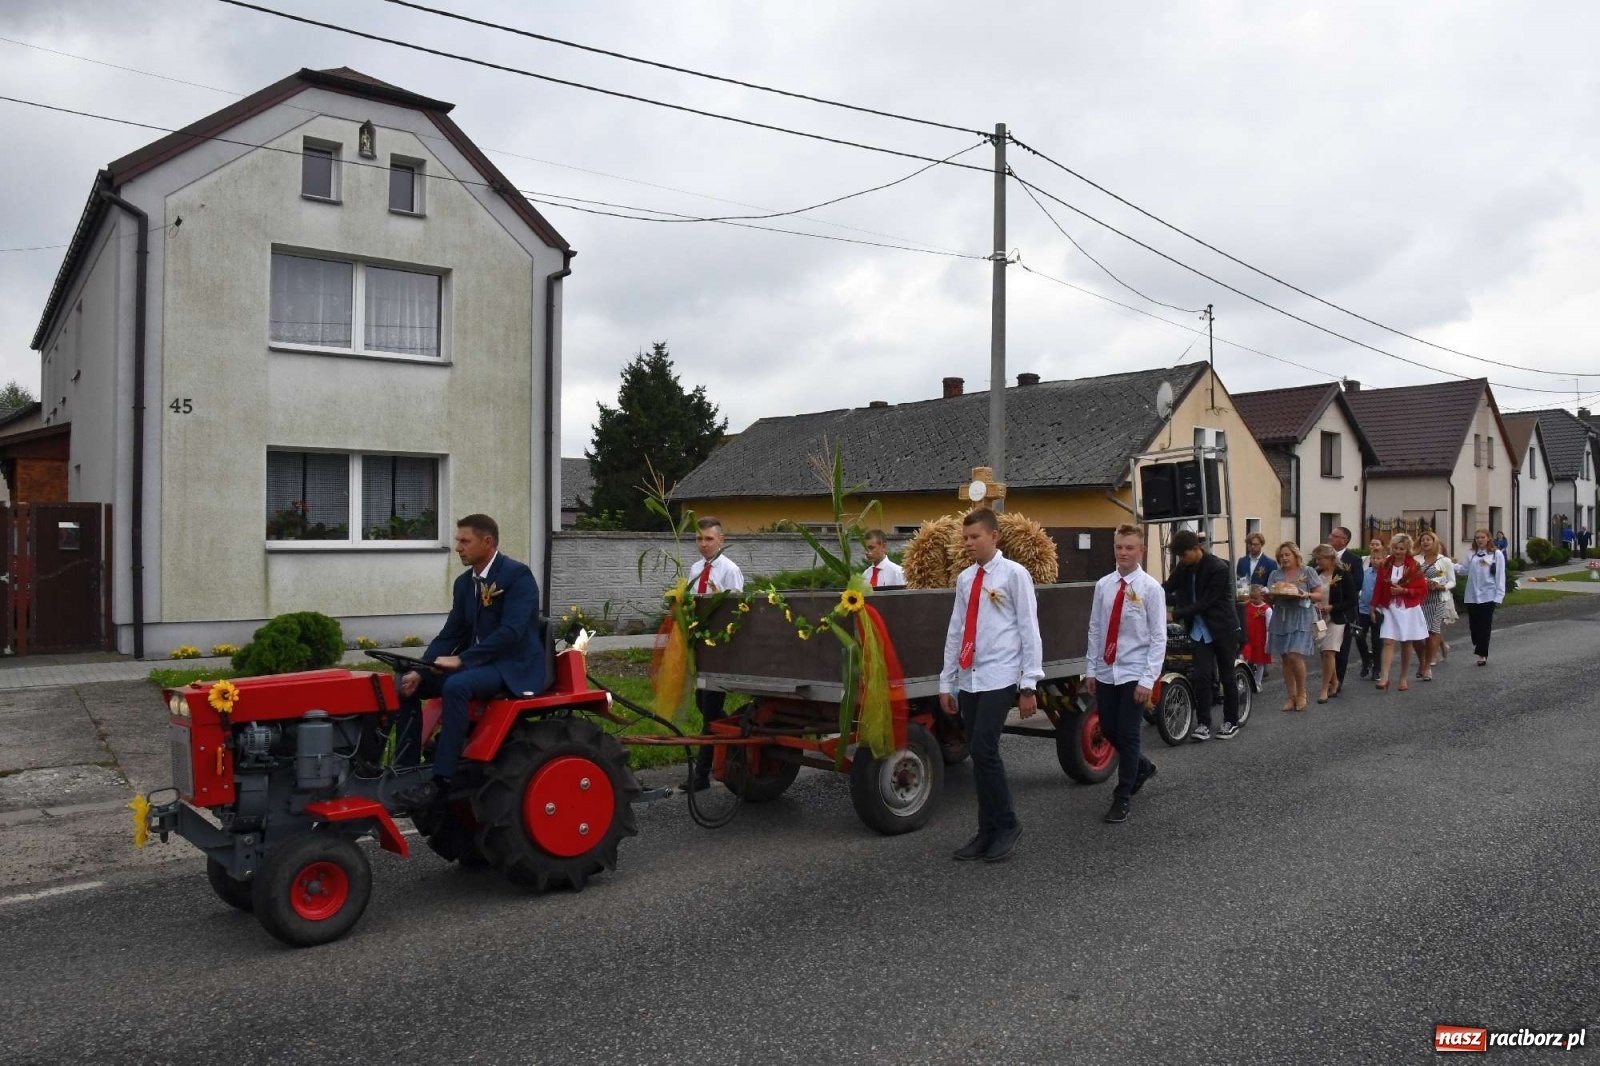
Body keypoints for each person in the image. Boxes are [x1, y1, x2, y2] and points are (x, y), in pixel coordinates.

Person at [393, 514, 544, 810]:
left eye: (465, 541)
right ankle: (405, 769)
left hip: (511, 666)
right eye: (457, 540)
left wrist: (462, 660)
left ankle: (442, 780)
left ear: (487, 542)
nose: (458, 547)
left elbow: (511, 633)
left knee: (456, 686)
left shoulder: (517, 576)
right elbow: (452, 632)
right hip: (479, 663)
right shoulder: (465, 584)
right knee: (404, 685)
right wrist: (421, 669)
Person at [939, 509, 1042, 861]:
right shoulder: (966, 579)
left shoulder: (1015, 575)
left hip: (1001, 674)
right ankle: (986, 830)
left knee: (984, 749)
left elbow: (1029, 629)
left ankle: (1008, 823)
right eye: (965, 538)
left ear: (994, 536)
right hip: (970, 676)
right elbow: (956, 628)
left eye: (975, 537)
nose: (968, 544)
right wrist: (946, 681)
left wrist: (1029, 684)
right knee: (978, 753)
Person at [1085, 525, 1167, 824]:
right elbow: (1096, 628)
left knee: (1129, 735)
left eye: (1130, 547)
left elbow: (1159, 638)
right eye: (1119, 547)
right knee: (1108, 729)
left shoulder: (1150, 588)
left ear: (1141, 551)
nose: (1123, 553)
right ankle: (1142, 766)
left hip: (1134, 670)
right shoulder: (1104, 586)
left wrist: (1148, 679)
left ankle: (1123, 796)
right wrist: (1091, 669)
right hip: (1108, 670)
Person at [1162, 529, 1241, 742]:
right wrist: (1150, 594)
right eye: (1179, 556)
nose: (1181, 559)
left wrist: (1175, 614)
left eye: (1184, 555)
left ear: (1197, 549)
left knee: (1227, 676)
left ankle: (1231, 721)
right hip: (1198, 630)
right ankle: (1204, 724)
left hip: (1221, 628)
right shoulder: (1183, 567)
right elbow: (1168, 587)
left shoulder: (1218, 567)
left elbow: (1206, 602)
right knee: (1201, 676)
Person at [686, 516, 745, 791]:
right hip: (700, 646)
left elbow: (737, 610)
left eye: (709, 539)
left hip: (719, 647)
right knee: (704, 705)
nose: (703, 544)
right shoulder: (696, 568)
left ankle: (700, 776)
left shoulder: (729, 569)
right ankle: (735, 731)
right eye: (699, 539)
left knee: (708, 711)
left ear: (721, 540)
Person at [1265, 541, 1324, 712]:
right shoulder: (1275, 574)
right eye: (1281, 556)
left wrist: (1307, 594)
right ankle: (1290, 696)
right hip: (1281, 616)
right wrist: (1266, 596)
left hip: (1301, 616)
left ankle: (1301, 692)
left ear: (1295, 555)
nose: (1284, 558)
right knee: (1285, 657)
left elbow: (1319, 595)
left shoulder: (1308, 572)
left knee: (1294, 656)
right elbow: (1271, 598)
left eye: (1287, 555)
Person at [1372, 533, 1428, 692]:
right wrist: (1373, 605)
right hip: (1389, 606)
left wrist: (1404, 590)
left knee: (1406, 642)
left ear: (1407, 549)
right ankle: (1385, 677)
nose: (1398, 551)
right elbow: (1379, 586)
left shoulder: (1414, 566)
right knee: (1388, 641)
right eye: (1396, 548)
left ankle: (1403, 677)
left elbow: (1421, 588)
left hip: (1408, 607)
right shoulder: (1385, 564)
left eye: (1402, 549)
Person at [1311, 544, 1357, 703]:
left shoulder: (1343, 575)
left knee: (1330, 651)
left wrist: (1333, 607)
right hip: (1319, 619)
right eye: (1316, 559)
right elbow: (1314, 594)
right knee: (1324, 653)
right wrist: (1314, 603)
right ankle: (1335, 681)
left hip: (1337, 618)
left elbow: (1352, 600)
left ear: (1331, 558)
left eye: (1320, 558)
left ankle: (1325, 688)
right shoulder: (1316, 574)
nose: (1318, 562)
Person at [1455, 528, 1506, 665]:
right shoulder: (1471, 554)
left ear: (1488, 538)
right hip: (1472, 595)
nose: (1480, 540)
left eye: (1482, 537)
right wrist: (1451, 565)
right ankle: (1478, 642)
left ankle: (1482, 654)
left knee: (1484, 625)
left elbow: (1500, 576)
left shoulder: (1496, 554)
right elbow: (1463, 570)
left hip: (1488, 595)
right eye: (1477, 537)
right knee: (1474, 625)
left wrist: (1499, 596)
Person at [1413, 530, 1455, 681]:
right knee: (1417, 634)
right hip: (1419, 600)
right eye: (1423, 540)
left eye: (1428, 540)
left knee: (1433, 630)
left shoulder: (1443, 560)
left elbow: (1452, 581)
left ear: (1434, 542)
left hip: (1437, 599)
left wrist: (1441, 586)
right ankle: (1422, 660)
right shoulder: (1415, 560)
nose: (1425, 542)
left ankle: (1427, 667)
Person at [1353, 537, 1383, 678]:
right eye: (1373, 558)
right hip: (1363, 609)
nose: (1376, 561)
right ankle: (1366, 660)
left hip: (1379, 611)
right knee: (1359, 636)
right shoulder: (1365, 574)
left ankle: (1377, 667)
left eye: (1378, 558)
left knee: (1377, 639)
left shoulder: (1386, 576)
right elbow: (1359, 587)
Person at [1242, 585, 1272, 688]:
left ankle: (1258, 682)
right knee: (1245, 658)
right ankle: (1243, 681)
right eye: (1251, 598)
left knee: (1260, 662)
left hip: (1260, 639)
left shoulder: (1267, 609)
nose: (1253, 600)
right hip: (1248, 638)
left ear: (1262, 596)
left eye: (1255, 598)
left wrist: (1268, 642)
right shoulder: (1248, 605)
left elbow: (1269, 627)